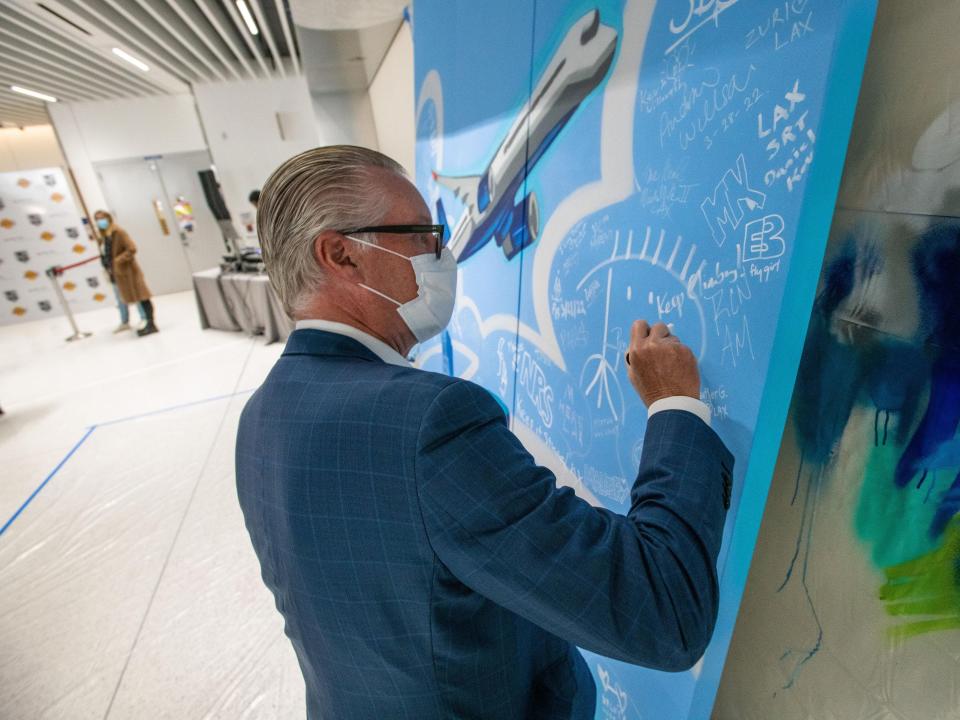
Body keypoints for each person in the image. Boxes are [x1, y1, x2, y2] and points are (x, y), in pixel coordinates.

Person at [236, 146, 734, 720]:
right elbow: (662, 611)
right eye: (423, 233)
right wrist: (673, 405)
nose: (442, 254)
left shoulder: (261, 414)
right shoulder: (428, 423)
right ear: (341, 254)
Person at [94, 210, 158, 337]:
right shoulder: (103, 236)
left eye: (102, 218)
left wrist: (118, 261)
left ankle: (150, 323)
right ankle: (137, 322)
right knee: (129, 297)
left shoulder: (119, 232)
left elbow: (132, 248)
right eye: (97, 219)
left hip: (129, 271)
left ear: (108, 218)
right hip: (117, 273)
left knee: (142, 296)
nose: (100, 221)